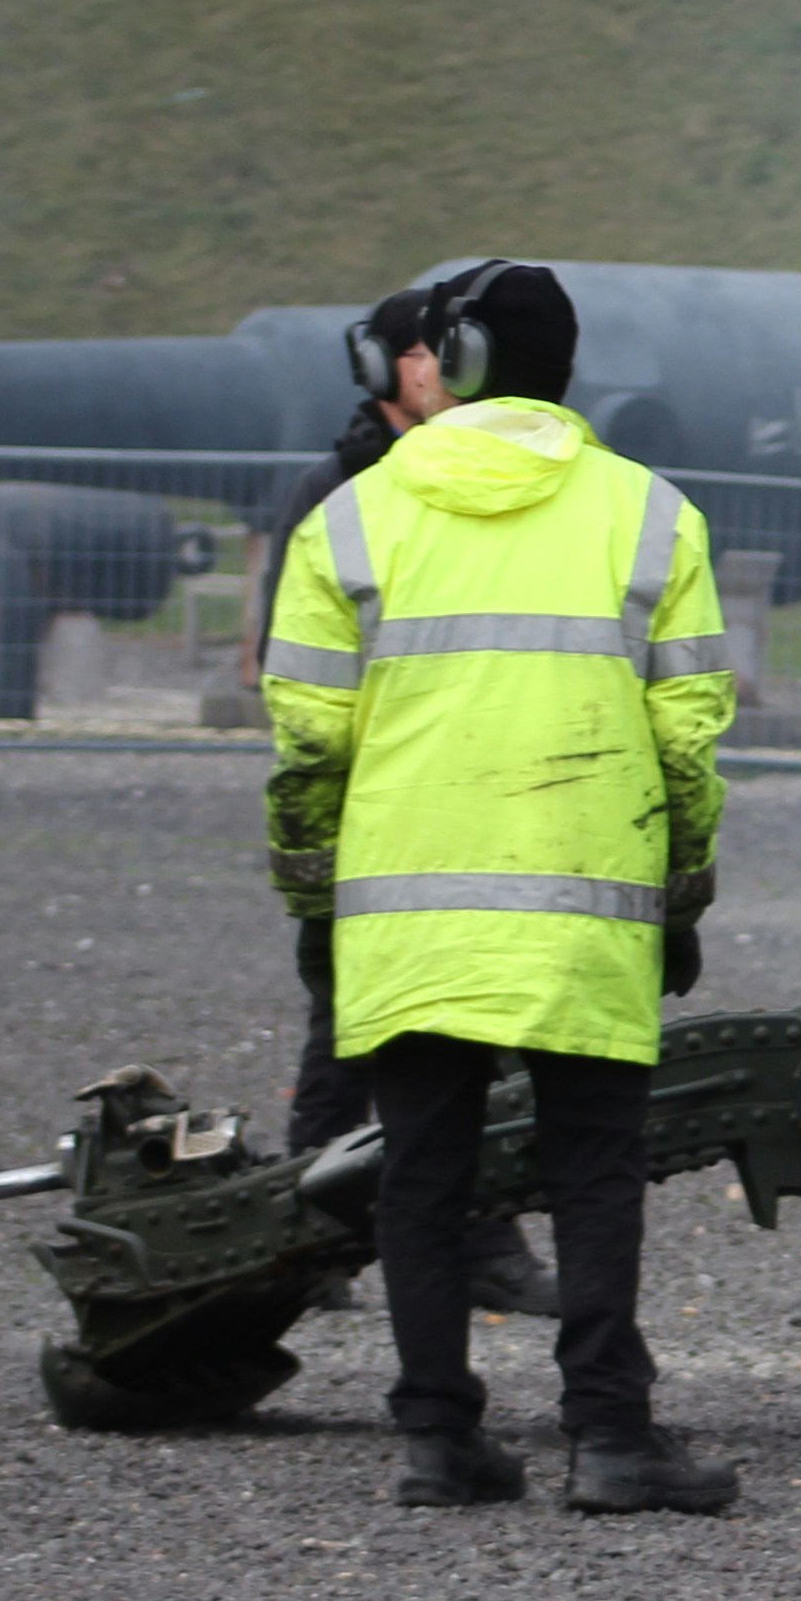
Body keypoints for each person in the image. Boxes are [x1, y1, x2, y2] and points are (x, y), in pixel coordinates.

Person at [261, 262, 744, 1516]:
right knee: (593, 1170)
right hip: (587, 903)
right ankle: (611, 1438)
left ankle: (437, 1439)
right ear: (564, 369)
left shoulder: (353, 521)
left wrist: (313, 890)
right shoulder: (651, 518)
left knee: (423, 1171)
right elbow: (686, 742)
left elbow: (308, 741)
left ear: (455, 364)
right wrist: (679, 893)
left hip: (405, 913)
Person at [260, 272, 553, 1322]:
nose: (439, 368)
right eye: (423, 352)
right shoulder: (343, 495)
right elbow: (297, 678)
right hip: (391, 808)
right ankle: (309, 1230)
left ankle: (472, 1241)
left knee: (482, 1036)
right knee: (351, 1034)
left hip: (482, 801)